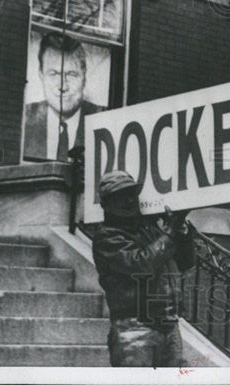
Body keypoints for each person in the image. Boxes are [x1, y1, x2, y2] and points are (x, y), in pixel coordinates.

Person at [92, 169, 196, 367]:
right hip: (134, 329)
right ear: (106, 205)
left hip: (169, 326)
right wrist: (170, 233)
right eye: (120, 197)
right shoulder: (107, 236)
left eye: (132, 195)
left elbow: (186, 263)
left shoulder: (150, 229)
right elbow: (140, 264)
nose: (130, 201)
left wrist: (182, 229)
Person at [23, 32, 102, 161]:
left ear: (84, 77)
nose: (63, 86)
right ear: (41, 75)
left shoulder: (104, 120)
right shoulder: (23, 119)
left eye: (71, 74)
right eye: (54, 74)